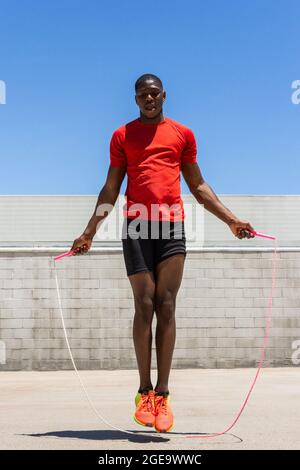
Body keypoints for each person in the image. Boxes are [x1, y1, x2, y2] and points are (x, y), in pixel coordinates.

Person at [71, 73, 255, 433]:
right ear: (136, 99)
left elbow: (198, 186)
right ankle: (143, 392)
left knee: (166, 305)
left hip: (171, 227)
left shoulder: (182, 135)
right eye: (143, 94)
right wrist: (89, 231)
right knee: (144, 304)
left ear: (164, 96)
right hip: (137, 227)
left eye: (154, 93)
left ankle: (164, 395)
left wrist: (231, 220)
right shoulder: (122, 136)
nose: (149, 99)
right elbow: (110, 188)